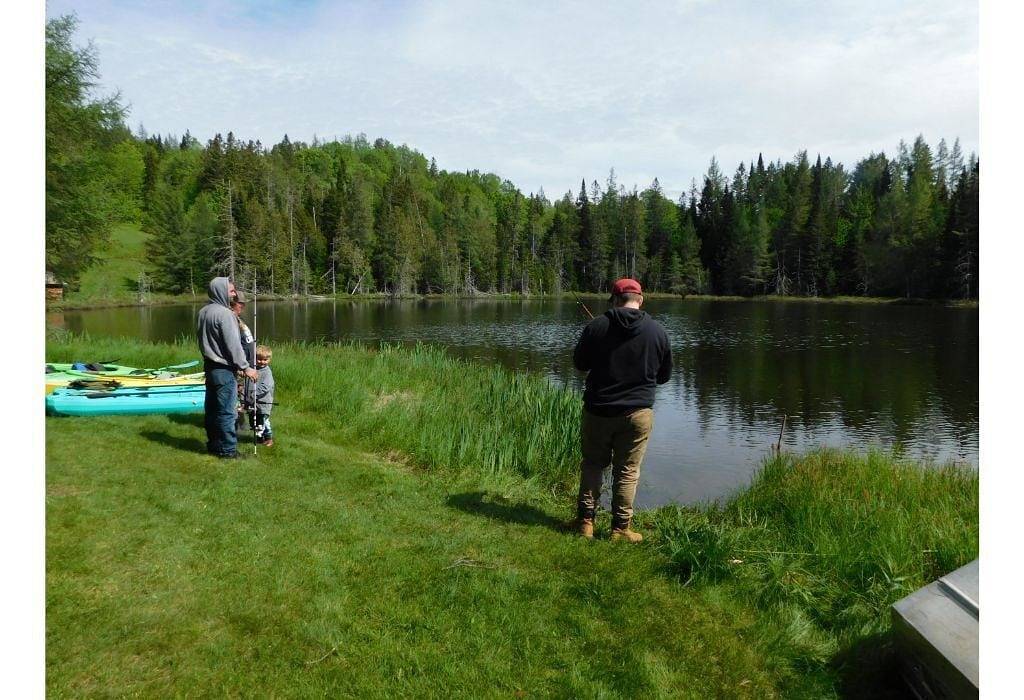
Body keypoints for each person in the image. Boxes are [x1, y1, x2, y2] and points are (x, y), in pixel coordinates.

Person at [571, 278, 672, 542]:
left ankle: (585, 523)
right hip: (638, 414)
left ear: (615, 299)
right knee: (627, 471)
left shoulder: (597, 326)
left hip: (598, 411)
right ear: (641, 299)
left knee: (593, 464)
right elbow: (664, 377)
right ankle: (620, 528)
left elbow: (580, 364)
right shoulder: (658, 332)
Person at [197, 277, 259, 459]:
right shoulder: (225, 314)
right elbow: (233, 346)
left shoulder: (203, 312)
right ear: (220, 291)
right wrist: (246, 367)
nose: (234, 294)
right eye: (231, 291)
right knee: (226, 411)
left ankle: (214, 445)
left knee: (212, 409)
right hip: (224, 369)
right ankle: (228, 451)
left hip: (209, 367)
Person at [244, 345, 275, 447]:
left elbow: (265, 387)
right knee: (254, 421)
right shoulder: (252, 370)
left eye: (265, 360)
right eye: (259, 359)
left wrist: (253, 394)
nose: (262, 362)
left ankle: (269, 438)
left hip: (263, 403)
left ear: (269, 360)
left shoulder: (267, 373)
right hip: (251, 402)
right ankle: (259, 438)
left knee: (263, 422)